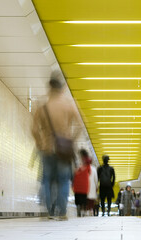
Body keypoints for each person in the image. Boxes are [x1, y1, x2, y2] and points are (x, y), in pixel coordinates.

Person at [31, 76, 81, 221]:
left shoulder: (42, 106)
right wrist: (71, 139)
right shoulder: (69, 105)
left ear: (50, 87)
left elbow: (34, 129)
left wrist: (39, 142)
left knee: (46, 179)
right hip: (63, 149)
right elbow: (79, 125)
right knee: (64, 179)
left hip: (47, 148)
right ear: (61, 88)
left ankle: (49, 211)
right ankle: (62, 212)